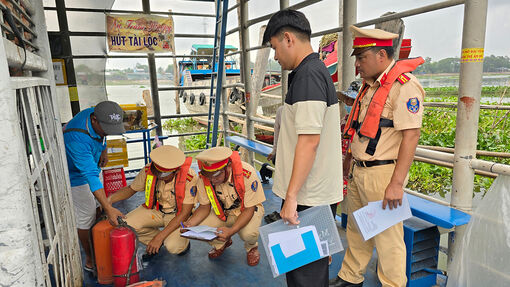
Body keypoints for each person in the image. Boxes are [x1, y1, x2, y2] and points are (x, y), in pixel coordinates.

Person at [329, 26, 425, 287]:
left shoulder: (404, 87)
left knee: (387, 238)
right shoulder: (370, 87)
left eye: (361, 58)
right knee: (357, 228)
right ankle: (350, 276)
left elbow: (411, 136)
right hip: (361, 170)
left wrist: (395, 184)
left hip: (383, 175)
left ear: (381, 56)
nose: (358, 65)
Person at [262, 9, 343, 287]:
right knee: (307, 267)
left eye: (274, 48)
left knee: (304, 273)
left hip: (309, 195)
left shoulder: (308, 76)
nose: (275, 56)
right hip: (311, 191)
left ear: (287, 38)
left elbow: (309, 141)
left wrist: (292, 197)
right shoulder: (311, 71)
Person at [63, 100, 126, 272]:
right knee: (86, 216)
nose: (108, 132)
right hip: (76, 176)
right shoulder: (76, 137)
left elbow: (102, 135)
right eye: (106, 129)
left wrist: (103, 149)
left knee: (98, 207)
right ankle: (90, 258)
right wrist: (109, 207)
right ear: (94, 120)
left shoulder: (98, 112)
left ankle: (98, 239)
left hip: (92, 164)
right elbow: (89, 175)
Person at [182, 147, 265, 266]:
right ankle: (221, 243)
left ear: (228, 167)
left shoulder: (246, 173)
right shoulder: (205, 178)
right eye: (208, 176)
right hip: (223, 212)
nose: (212, 180)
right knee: (199, 227)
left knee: (248, 234)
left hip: (247, 209)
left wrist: (231, 231)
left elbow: (249, 209)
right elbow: (204, 207)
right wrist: (190, 224)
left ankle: (251, 247)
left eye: (216, 175)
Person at [108, 145, 197, 256]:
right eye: (157, 171)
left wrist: (159, 237)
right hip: (156, 210)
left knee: (174, 247)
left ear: (176, 171)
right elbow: (131, 189)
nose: (159, 175)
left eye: (164, 174)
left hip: (177, 215)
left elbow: (185, 213)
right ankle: (158, 241)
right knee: (126, 225)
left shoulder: (189, 177)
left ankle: (179, 242)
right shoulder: (149, 169)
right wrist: (109, 200)